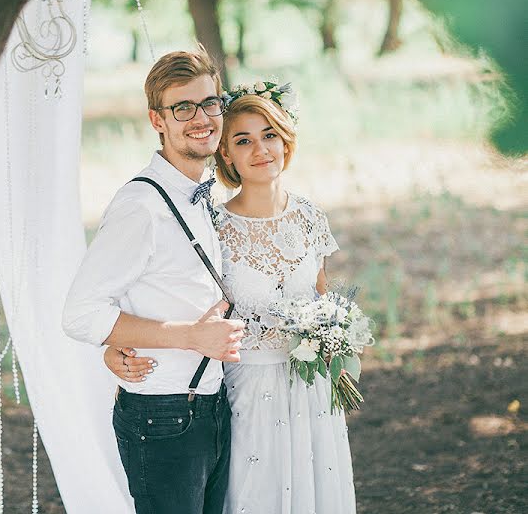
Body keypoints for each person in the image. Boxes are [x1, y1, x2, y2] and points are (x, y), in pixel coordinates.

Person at [105, 83, 357, 513]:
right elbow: (164, 296)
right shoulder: (213, 224)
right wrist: (115, 347)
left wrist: (337, 347)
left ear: (285, 139)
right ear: (226, 154)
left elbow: (321, 298)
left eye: (269, 135)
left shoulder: (312, 216)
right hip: (244, 393)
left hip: (310, 392)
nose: (260, 149)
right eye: (243, 140)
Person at [62, 49, 246, 514]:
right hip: (163, 414)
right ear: (156, 120)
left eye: (209, 103)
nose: (201, 118)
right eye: (182, 108)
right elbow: (81, 314)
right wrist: (188, 337)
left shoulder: (202, 192)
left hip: (212, 405)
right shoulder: (140, 207)